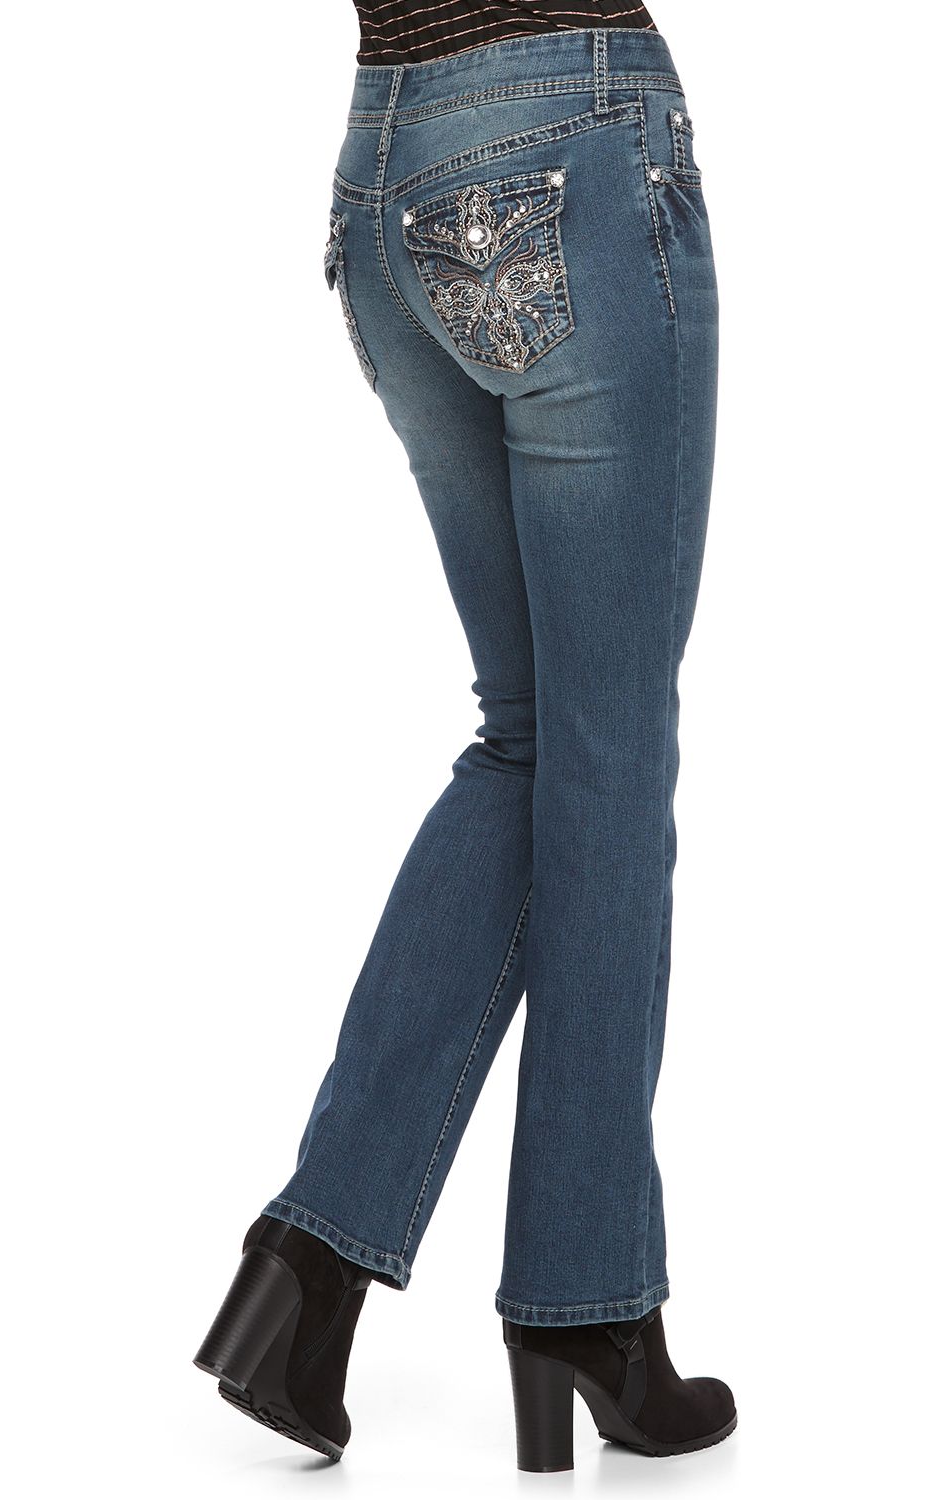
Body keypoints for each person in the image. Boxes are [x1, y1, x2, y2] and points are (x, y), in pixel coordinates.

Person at [193, 3, 732, 1472]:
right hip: (570, 132)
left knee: (540, 741)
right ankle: (587, 1308)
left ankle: (311, 1263)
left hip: (388, 165)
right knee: (606, 755)